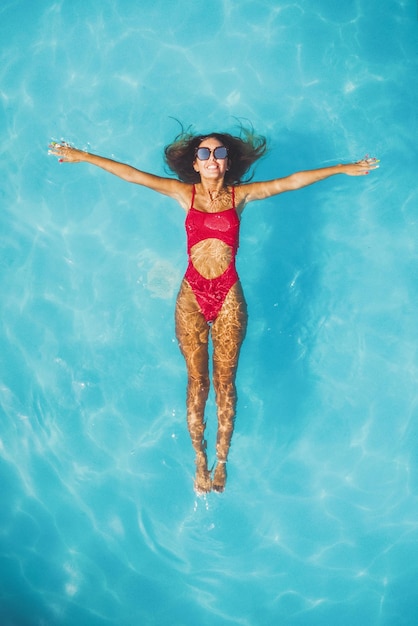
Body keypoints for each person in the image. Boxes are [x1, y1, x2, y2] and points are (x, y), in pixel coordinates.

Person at [49, 130, 379, 493]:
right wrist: (84, 156)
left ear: (227, 162)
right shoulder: (183, 194)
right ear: (194, 163)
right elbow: (133, 175)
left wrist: (343, 168)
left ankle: (222, 459)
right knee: (197, 382)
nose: (211, 157)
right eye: (204, 152)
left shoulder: (240, 196)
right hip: (191, 294)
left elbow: (291, 181)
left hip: (228, 296)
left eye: (219, 152)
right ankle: (198, 459)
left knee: (224, 383)